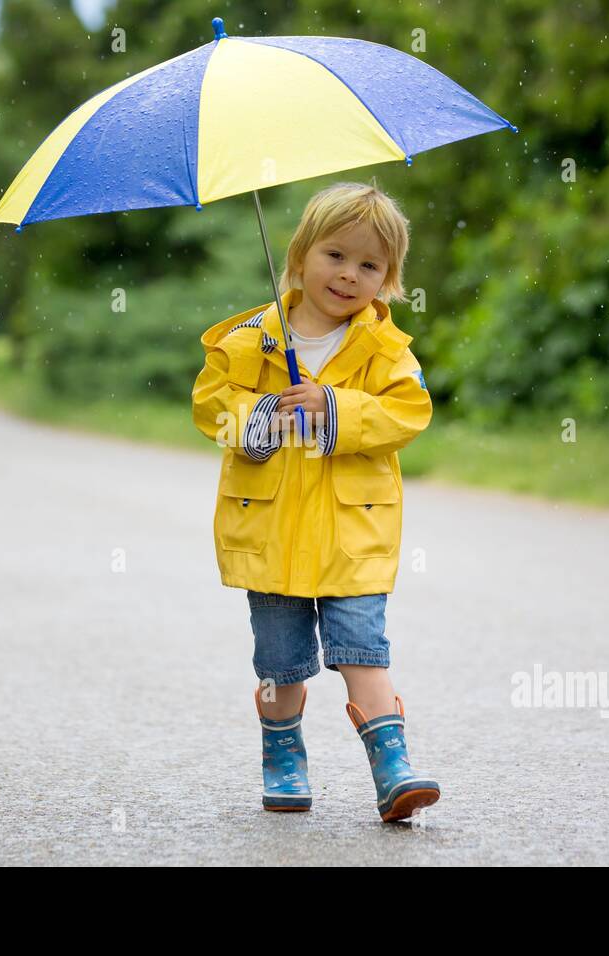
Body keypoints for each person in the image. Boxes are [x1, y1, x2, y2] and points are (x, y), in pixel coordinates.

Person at [191, 180, 439, 823]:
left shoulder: (385, 350)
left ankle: (394, 769)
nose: (349, 274)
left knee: (364, 648)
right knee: (282, 662)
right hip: (270, 533)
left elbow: (409, 413)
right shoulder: (250, 339)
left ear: (388, 279)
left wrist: (335, 407)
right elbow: (209, 408)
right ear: (299, 256)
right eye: (335, 255)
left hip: (351, 537)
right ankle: (283, 759)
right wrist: (264, 414)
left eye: (369, 265)